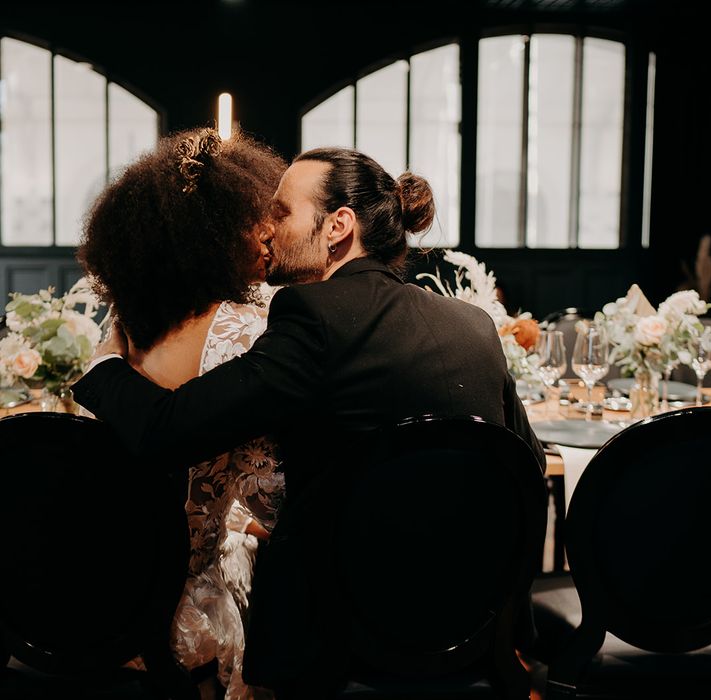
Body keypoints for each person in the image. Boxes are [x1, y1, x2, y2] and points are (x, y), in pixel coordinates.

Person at [73, 146, 546, 699]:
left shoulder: (311, 317)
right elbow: (528, 463)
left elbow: (165, 431)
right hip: (468, 622)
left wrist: (105, 362)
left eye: (281, 212)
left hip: (342, 636)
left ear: (338, 226)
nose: (266, 231)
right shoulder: (472, 325)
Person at [77, 126, 288, 700]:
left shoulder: (122, 336)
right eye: (253, 220)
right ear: (210, 237)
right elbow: (275, 496)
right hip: (204, 605)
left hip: (102, 588)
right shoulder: (254, 326)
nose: (268, 233)